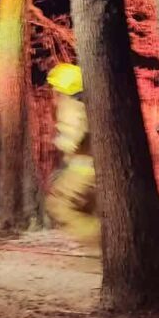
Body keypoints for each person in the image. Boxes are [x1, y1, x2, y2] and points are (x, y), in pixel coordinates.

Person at [44, 62, 99, 242]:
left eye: (55, 85)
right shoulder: (87, 105)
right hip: (90, 170)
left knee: (59, 206)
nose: (52, 90)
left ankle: (102, 239)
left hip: (80, 171)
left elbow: (73, 139)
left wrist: (58, 141)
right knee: (87, 210)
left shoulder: (72, 107)